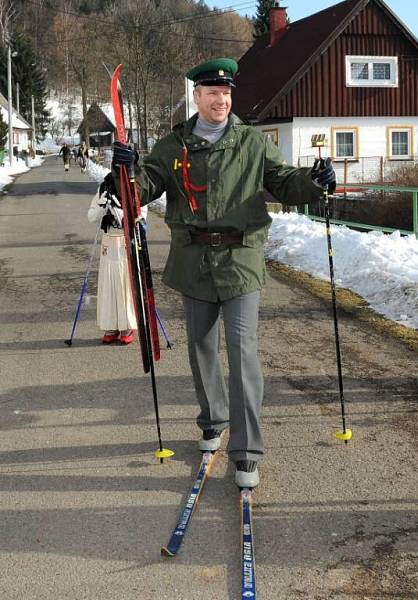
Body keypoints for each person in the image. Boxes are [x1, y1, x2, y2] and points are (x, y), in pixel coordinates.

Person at [111, 58, 335, 489]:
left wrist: (315, 180)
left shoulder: (252, 143)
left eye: (226, 92)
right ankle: (213, 422)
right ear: (196, 96)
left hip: (241, 262)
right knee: (201, 349)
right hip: (193, 262)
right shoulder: (171, 147)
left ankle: (247, 451)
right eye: (212, 92)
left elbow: (286, 181)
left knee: (243, 352)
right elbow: (141, 190)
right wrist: (123, 171)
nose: (221, 99)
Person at [87, 172, 144, 345]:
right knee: (109, 284)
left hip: (126, 241)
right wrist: (102, 206)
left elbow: (140, 220)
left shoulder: (135, 187)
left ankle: (126, 326)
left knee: (125, 284)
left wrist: (118, 208)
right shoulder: (104, 187)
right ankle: (110, 326)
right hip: (108, 242)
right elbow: (91, 217)